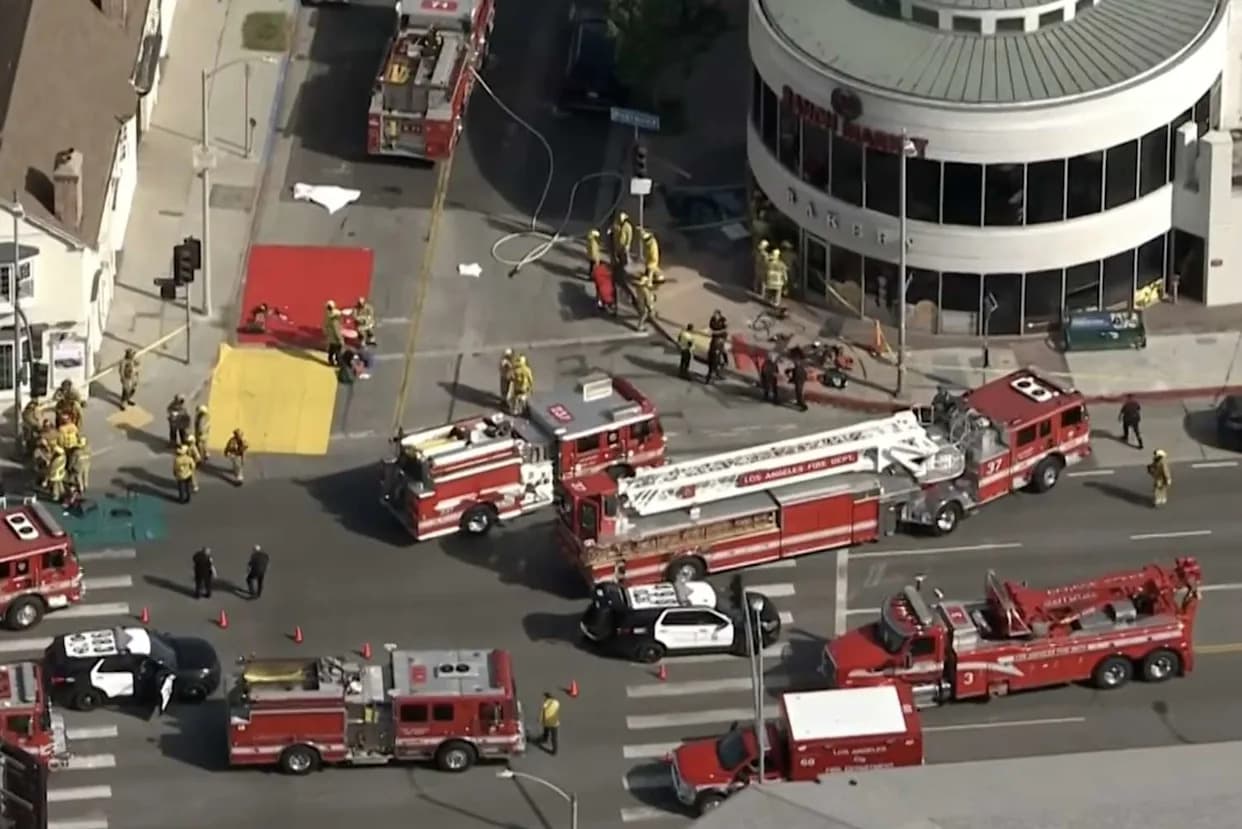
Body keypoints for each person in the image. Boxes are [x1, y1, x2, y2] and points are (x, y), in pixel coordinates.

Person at [323, 300, 344, 367]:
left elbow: (325, 326)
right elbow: (337, 331)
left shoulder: (327, 315)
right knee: (338, 351)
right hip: (335, 338)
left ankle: (330, 361)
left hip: (330, 336)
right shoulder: (335, 321)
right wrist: (340, 340)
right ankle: (339, 363)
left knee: (331, 350)